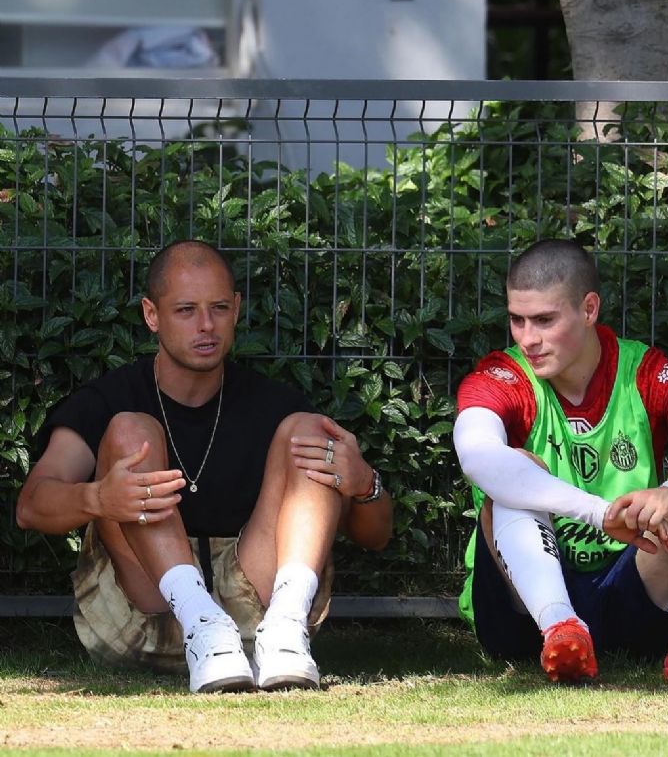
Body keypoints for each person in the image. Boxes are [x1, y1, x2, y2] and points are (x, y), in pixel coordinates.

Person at [17, 240, 392, 693]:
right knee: (131, 432)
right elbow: (31, 506)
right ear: (152, 315)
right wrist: (97, 498)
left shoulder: (273, 404)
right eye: (185, 310)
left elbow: (374, 536)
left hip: (257, 618)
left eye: (218, 308)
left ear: (236, 309)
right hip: (145, 615)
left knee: (309, 431)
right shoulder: (109, 399)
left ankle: (287, 626)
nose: (206, 325)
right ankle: (202, 623)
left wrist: (364, 483)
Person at [453, 239, 668, 682]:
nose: (527, 339)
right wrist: (600, 513)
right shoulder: (499, 377)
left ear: (589, 309)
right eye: (517, 320)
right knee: (514, 468)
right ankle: (560, 627)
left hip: (632, 587)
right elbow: (477, 457)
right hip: (524, 614)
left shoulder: (646, 371)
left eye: (544, 320)